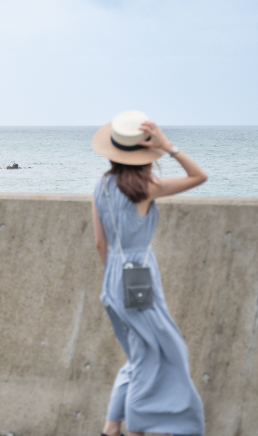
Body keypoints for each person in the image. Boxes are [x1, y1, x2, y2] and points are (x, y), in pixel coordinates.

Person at [91, 110, 208, 436]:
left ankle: (111, 427)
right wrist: (169, 147)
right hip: (139, 279)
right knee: (164, 353)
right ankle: (134, 430)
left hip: (113, 279)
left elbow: (100, 244)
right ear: (144, 152)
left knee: (138, 356)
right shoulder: (146, 187)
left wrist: (114, 277)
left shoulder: (101, 185)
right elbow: (199, 177)